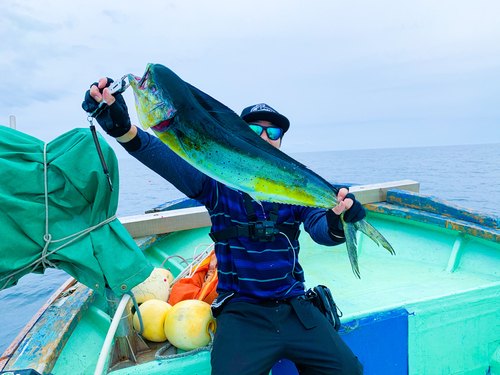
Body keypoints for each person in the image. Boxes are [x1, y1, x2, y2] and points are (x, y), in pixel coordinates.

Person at [83, 78, 365, 375]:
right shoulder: (215, 184)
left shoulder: (294, 189)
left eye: (274, 131)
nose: (265, 136)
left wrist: (337, 219)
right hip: (241, 312)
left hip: (295, 306)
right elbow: (165, 158)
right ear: (238, 135)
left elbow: (322, 230)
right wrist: (123, 130)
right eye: (255, 130)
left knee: (348, 371)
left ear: (281, 139)